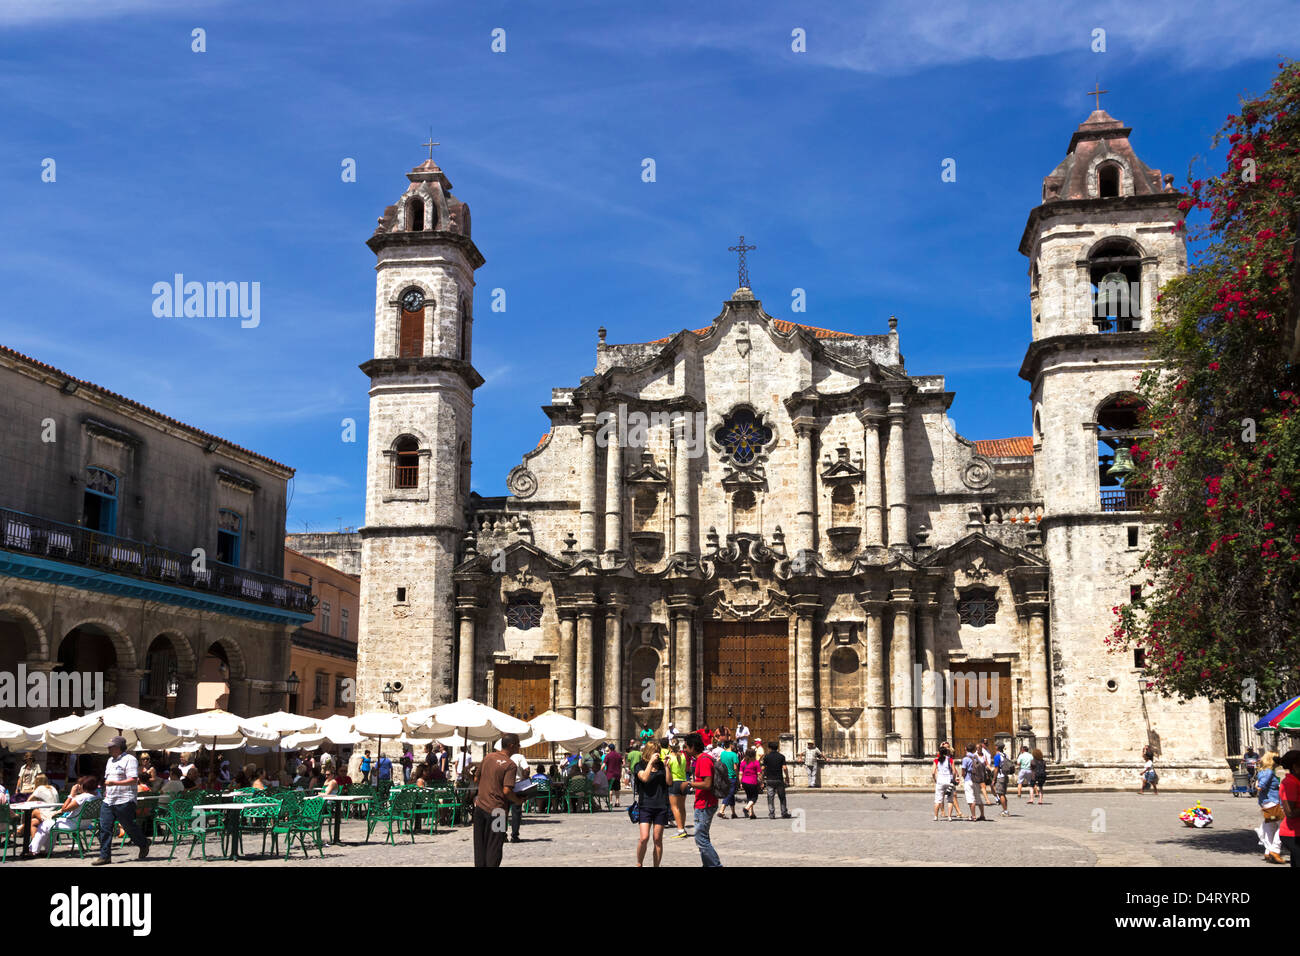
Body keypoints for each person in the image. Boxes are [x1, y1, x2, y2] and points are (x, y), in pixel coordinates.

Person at [95, 736, 149, 865]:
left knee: (128, 826)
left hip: (125, 799)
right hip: (109, 800)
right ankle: (105, 856)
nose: (108, 748)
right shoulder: (109, 761)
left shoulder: (130, 759)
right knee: (104, 827)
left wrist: (114, 782)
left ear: (119, 747)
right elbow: (107, 780)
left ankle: (143, 843)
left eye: (111, 746)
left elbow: (133, 780)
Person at [472, 733, 523, 868]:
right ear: (511, 746)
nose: (520, 747)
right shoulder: (510, 765)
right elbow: (507, 791)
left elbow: (476, 779)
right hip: (498, 811)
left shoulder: (488, 757)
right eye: (518, 744)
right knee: (495, 845)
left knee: (480, 845)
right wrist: (518, 800)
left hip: (480, 808)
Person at [29, 775, 98, 855]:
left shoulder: (82, 798)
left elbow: (65, 808)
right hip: (85, 824)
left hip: (73, 824)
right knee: (50, 826)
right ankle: (47, 851)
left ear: (83, 786)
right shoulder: (97, 795)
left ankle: (33, 850)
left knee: (44, 825)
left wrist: (71, 794)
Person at [681, 732, 721, 867]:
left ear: (693, 747)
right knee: (703, 838)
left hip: (705, 804)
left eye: (686, 747)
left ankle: (716, 865)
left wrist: (689, 783)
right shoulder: (703, 758)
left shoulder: (703, 760)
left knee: (701, 840)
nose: (685, 750)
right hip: (705, 803)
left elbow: (707, 784)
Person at [634, 742, 669, 867]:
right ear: (648, 752)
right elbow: (644, 778)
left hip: (661, 806)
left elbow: (669, 782)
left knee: (657, 839)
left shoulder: (661, 766)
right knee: (644, 838)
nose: (657, 753)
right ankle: (639, 863)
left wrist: (667, 767)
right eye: (655, 751)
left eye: (658, 751)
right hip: (645, 805)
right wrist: (650, 763)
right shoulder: (639, 765)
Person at [1255, 751, 1285, 864]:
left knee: (1270, 826)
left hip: (1266, 803)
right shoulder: (1268, 772)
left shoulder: (1262, 771)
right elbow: (1261, 786)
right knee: (1284, 825)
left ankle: (1268, 851)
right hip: (1273, 802)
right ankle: (1275, 850)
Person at [1276, 749, 1300, 866]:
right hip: (1292, 834)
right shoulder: (1290, 783)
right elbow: (1289, 813)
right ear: (1296, 767)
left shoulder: (1297, 781)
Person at [761, 739, 791, 819]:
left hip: (769, 779)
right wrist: (787, 777)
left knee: (770, 797)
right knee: (782, 797)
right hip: (779, 779)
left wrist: (761, 779)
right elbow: (784, 768)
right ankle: (784, 812)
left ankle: (771, 813)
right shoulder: (781, 756)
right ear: (777, 748)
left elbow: (763, 768)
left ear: (769, 748)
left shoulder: (766, 757)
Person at [666, 740, 689, 837]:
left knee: (674, 807)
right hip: (683, 781)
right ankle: (682, 827)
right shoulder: (683, 756)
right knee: (682, 807)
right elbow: (686, 769)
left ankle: (680, 829)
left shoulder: (669, 758)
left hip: (674, 783)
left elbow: (667, 774)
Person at [508, 747, 530, 842]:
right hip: (516, 785)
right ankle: (514, 835)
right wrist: (524, 779)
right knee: (516, 812)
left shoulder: (501, 757)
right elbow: (527, 769)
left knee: (501, 811)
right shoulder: (519, 757)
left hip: (503, 785)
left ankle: (501, 835)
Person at [961, 744, 987, 822]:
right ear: (974, 750)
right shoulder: (976, 757)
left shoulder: (965, 759)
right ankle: (982, 815)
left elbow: (963, 770)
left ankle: (973, 816)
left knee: (970, 799)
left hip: (968, 779)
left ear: (965, 749)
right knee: (978, 797)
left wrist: (963, 777)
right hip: (976, 780)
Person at [933, 745, 957, 821]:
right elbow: (954, 772)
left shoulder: (936, 760)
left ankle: (936, 816)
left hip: (940, 781)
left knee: (938, 800)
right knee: (950, 799)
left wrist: (935, 780)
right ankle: (949, 816)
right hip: (948, 780)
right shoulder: (950, 760)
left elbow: (933, 772)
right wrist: (953, 779)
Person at [717, 743, 740, 819]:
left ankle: (733, 813)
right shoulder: (734, 755)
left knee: (731, 794)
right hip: (731, 776)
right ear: (730, 745)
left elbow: (718, 761)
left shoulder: (722, 754)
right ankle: (721, 810)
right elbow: (735, 767)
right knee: (729, 793)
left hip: (724, 776)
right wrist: (737, 777)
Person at [738, 748, 762, 819]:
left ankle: (752, 813)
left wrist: (740, 783)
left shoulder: (743, 763)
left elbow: (740, 774)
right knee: (754, 797)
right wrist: (761, 782)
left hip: (744, 782)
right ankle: (746, 808)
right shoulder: (756, 762)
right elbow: (759, 774)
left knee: (749, 797)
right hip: (753, 782)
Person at [992, 747, 1011, 816]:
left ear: (996, 747)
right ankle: (1005, 809)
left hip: (1000, 776)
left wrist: (994, 779)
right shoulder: (1005, 755)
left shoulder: (997, 756)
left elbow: (996, 768)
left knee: (1000, 794)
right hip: (1005, 775)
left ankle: (1005, 811)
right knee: (1003, 794)